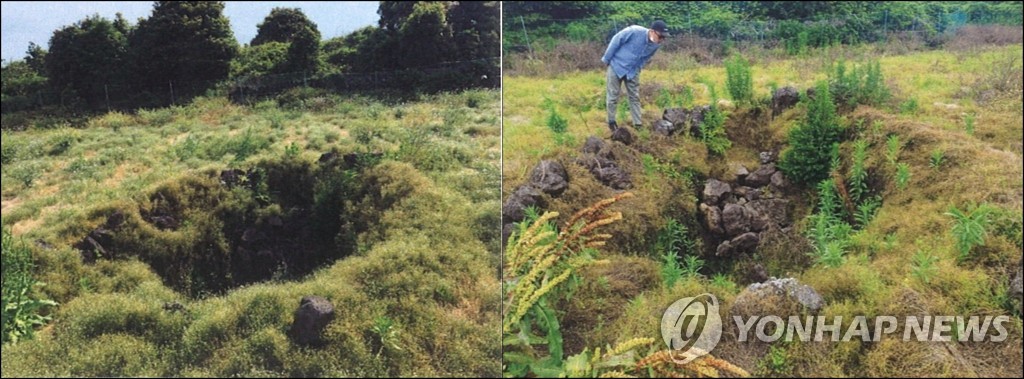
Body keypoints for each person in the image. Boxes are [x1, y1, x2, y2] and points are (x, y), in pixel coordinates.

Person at [602, 20, 669, 132]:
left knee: (634, 97)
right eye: (660, 36)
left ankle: (637, 124)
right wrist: (607, 59)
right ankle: (611, 122)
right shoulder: (634, 31)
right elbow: (616, 40)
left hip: (633, 71)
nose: (661, 40)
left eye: (664, 38)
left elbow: (646, 58)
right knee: (613, 95)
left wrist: (638, 68)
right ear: (652, 32)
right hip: (616, 65)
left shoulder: (656, 45)